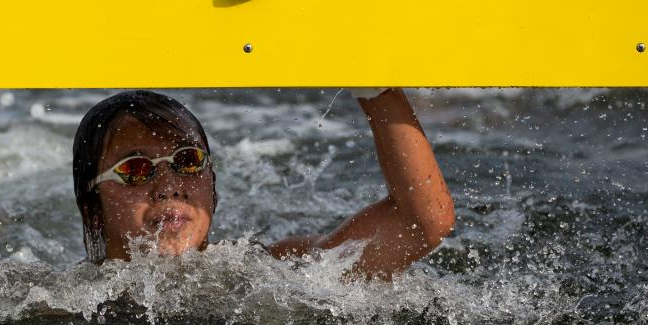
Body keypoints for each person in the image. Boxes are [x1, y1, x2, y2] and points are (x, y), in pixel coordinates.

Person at [72, 88, 454, 279]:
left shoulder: (268, 273)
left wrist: (374, 85)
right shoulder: (62, 302)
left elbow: (420, 224)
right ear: (93, 207)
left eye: (188, 161)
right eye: (137, 169)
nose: (170, 185)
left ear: (213, 187)